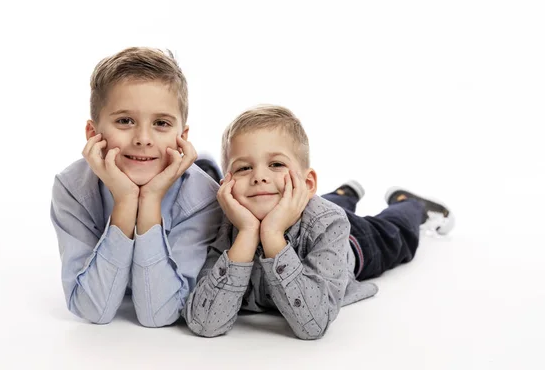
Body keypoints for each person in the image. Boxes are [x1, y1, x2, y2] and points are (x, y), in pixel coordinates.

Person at [183, 105, 454, 340]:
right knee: (318, 201)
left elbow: (313, 325)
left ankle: (410, 204)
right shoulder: (230, 224)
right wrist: (248, 232)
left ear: (308, 182)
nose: (259, 177)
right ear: (225, 185)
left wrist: (273, 234)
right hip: (304, 204)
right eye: (243, 168)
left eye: (276, 164)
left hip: (354, 241)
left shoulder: (329, 223)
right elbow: (205, 323)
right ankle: (344, 194)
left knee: (395, 234)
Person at [50, 47, 223, 327]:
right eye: (125, 121)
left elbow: (158, 314)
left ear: (182, 137)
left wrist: (151, 201)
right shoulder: (72, 189)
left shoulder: (202, 198)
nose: (143, 138)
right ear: (93, 134)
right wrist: (126, 201)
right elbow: (93, 308)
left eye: (161, 123)